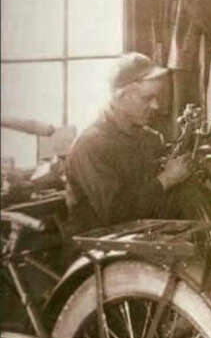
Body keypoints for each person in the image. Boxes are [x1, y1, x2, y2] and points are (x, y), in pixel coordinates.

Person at [65, 53, 191, 235]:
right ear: (121, 96)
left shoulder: (149, 138)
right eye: (147, 98)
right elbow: (114, 214)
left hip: (141, 239)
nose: (155, 106)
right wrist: (166, 179)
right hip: (97, 251)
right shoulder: (90, 145)